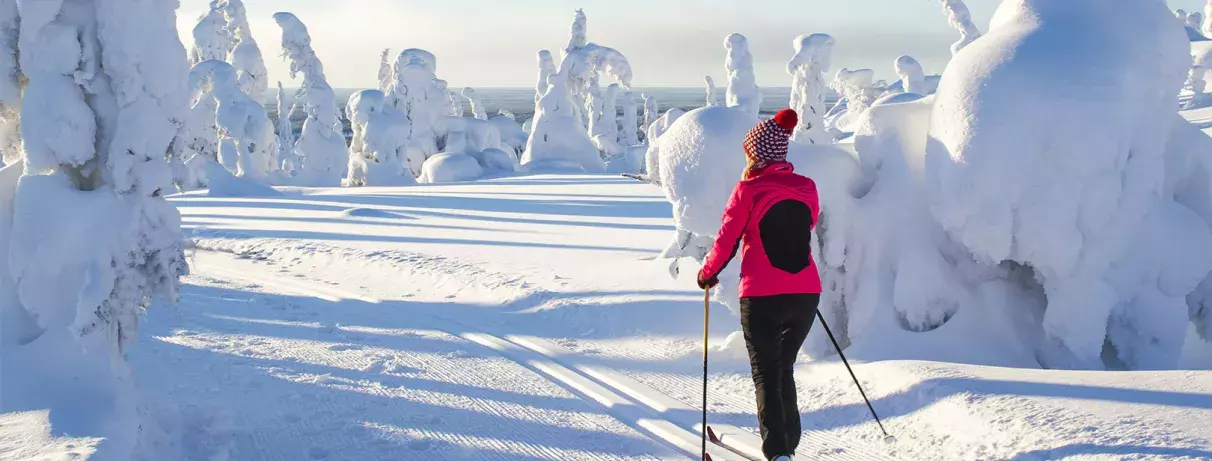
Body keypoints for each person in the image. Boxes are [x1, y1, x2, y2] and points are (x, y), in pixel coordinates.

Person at [696, 108, 821, 461]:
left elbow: (727, 240)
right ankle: (788, 446)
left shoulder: (747, 189)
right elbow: (806, 225)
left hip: (762, 295)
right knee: (784, 368)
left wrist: (707, 273)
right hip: (806, 293)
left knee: (766, 371)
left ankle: (779, 451)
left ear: (755, 154)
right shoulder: (807, 187)